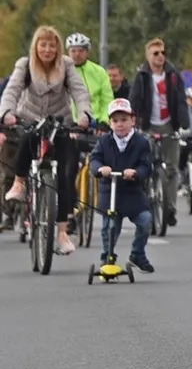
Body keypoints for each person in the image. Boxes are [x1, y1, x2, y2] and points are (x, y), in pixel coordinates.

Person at [0, 25, 93, 255]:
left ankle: (62, 233)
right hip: (29, 117)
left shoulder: (67, 65)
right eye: (43, 45)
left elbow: (79, 92)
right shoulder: (25, 65)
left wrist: (84, 116)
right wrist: (7, 114)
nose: (48, 50)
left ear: (58, 48)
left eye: (52, 45)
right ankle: (19, 183)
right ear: (36, 46)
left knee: (63, 175)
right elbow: (12, 90)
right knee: (27, 139)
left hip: (59, 121)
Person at [89, 98, 154, 273]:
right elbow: (94, 160)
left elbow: (146, 166)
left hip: (132, 193)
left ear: (132, 120)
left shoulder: (141, 142)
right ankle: (106, 257)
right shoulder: (104, 142)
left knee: (145, 221)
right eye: (115, 121)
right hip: (110, 192)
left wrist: (136, 173)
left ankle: (137, 254)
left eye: (124, 120)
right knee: (109, 228)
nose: (120, 125)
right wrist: (100, 169)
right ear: (110, 123)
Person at [129, 39, 187, 227]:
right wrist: (134, 123)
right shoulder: (142, 76)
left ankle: (169, 207)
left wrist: (183, 122)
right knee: (145, 165)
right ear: (148, 56)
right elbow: (135, 101)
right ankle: (145, 202)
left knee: (171, 168)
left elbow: (180, 100)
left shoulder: (173, 75)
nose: (160, 56)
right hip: (148, 125)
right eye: (155, 53)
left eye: (163, 52)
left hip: (169, 124)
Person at [65, 33, 114, 125]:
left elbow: (107, 99)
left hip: (95, 123)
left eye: (81, 51)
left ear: (87, 52)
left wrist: (104, 121)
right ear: (68, 52)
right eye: (73, 51)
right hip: (70, 124)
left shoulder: (99, 71)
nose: (77, 54)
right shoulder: (62, 70)